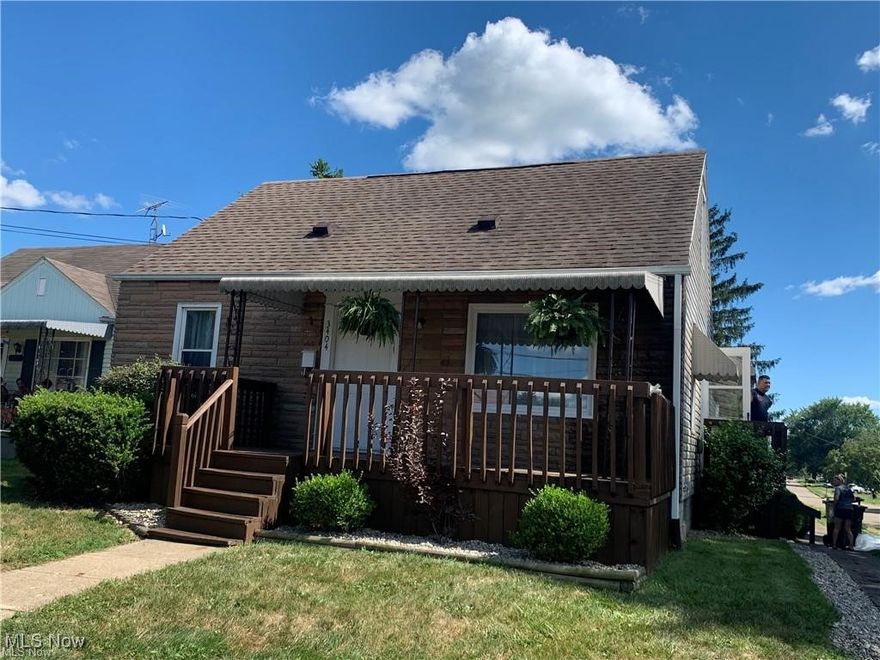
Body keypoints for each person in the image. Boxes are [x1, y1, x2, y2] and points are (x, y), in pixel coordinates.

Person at [832, 474, 855, 550]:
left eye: (835, 481)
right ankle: (851, 546)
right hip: (849, 509)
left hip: (840, 509)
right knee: (848, 529)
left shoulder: (838, 489)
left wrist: (834, 506)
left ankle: (834, 545)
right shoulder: (848, 489)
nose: (833, 482)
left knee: (837, 528)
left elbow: (836, 498)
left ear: (839, 481)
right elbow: (853, 499)